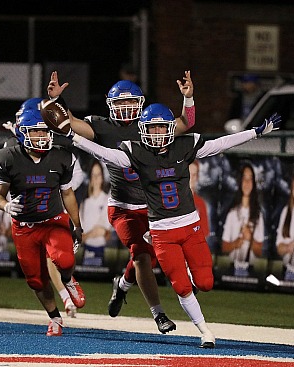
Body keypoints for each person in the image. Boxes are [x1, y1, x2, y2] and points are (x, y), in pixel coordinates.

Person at [62, 101, 280, 348]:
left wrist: (256, 132)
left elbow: (220, 143)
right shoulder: (136, 152)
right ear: (143, 130)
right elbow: (105, 154)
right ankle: (204, 331)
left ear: (170, 129)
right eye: (151, 129)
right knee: (177, 282)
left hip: (189, 224)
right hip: (160, 230)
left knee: (205, 283)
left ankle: (124, 284)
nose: (155, 135)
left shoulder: (184, 146)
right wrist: (75, 139)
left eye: (160, 129)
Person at [47, 70, 195, 334]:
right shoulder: (102, 126)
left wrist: (189, 98)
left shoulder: (150, 124)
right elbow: (68, 123)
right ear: (110, 105)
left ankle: (123, 285)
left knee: (150, 257)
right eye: (120, 103)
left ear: (140, 104)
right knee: (140, 255)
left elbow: (186, 123)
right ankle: (158, 313)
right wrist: (57, 101)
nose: (126, 108)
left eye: (130, 102)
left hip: (153, 208)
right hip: (124, 207)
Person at [0, 107, 85, 336]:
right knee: (35, 279)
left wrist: (77, 225)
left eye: (45, 132)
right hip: (24, 228)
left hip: (52, 221)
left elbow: (68, 193)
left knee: (64, 259)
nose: (43, 137)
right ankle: (55, 318)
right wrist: (6, 206)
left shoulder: (60, 156)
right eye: (36, 132)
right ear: (23, 133)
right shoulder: (7, 157)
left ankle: (67, 278)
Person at [221, 161, 264, 276]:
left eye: (250, 179)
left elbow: (259, 251)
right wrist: (235, 243)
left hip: (250, 270)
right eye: (244, 178)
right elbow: (224, 247)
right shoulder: (232, 213)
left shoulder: (258, 215)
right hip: (232, 269)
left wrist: (249, 238)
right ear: (240, 182)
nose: (247, 182)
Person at [79, 159, 112, 266]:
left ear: (102, 177)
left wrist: (88, 235)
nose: (96, 178)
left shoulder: (108, 200)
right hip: (86, 251)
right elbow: (81, 236)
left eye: (98, 175)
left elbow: (104, 232)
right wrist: (91, 234)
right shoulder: (85, 203)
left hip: (102, 251)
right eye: (93, 175)